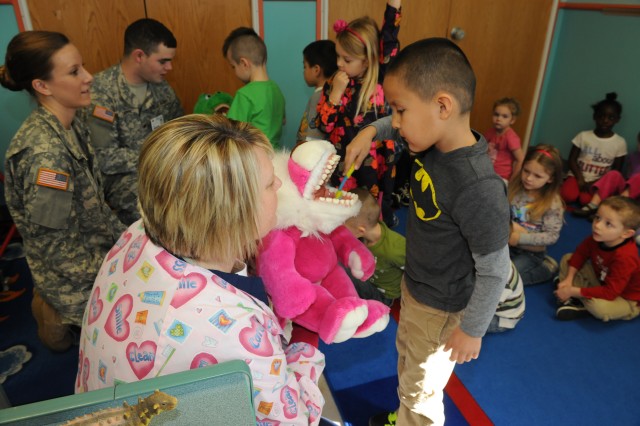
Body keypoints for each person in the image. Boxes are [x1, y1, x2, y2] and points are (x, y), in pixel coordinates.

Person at [75, 115, 326, 425]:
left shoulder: (138, 232)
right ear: (230, 215)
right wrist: (307, 335)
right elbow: (297, 420)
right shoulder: (236, 331)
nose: (278, 184)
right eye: (268, 183)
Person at [345, 38, 511, 426]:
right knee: (408, 365)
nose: (396, 123)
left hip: (442, 307)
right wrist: (371, 131)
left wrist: (472, 331)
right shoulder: (433, 139)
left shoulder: (477, 187)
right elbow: (395, 125)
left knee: (422, 392)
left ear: (442, 106)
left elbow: (494, 269)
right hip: (418, 287)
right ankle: (403, 416)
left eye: (400, 111)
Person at [0, 31, 125, 352]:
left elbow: (94, 203)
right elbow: (57, 251)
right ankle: (53, 317)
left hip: (92, 248)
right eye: (74, 72)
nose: (88, 77)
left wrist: (129, 242)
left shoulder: (75, 120)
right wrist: (119, 272)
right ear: (42, 86)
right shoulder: (45, 155)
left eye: (83, 67)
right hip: (71, 275)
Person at [86, 18, 183, 226]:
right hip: (124, 176)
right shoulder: (100, 92)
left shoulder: (163, 89)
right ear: (139, 55)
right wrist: (155, 158)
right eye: (163, 61)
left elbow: (179, 130)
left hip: (164, 167)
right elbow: (104, 157)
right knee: (154, 214)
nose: (170, 67)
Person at [316, 0, 402, 228]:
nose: (339, 64)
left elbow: (390, 35)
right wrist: (335, 95)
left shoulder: (381, 76)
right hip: (343, 158)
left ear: (368, 60)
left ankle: (374, 235)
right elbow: (324, 125)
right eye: (337, 57)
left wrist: (394, 6)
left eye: (347, 59)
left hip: (374, 163)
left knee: (370, 209)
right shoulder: (336, 80)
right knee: (342, 206)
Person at [555, 196, 640, 322]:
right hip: (602, 281)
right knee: (568, 258)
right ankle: (575, 293)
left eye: (608, 224)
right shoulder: (599, 237)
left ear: (626, 234)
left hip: (625, 298)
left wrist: (573, 290)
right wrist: (569, 279)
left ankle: (578, 301)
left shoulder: (625, 257)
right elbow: (580, 254)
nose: (597, 225)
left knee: (599, 308)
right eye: (597, 217)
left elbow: (610, 293)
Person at [508, 144, 564, 286]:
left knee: (507, 280)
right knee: (483, 270)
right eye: (526, 171)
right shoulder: (514, 189)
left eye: (537, 176)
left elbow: (551, 236)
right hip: (507, 244)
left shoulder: (553, 203)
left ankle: (547, 268)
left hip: (531, 253)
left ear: (550, 178)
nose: (529, 178)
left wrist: (519, 238)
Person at [223, 27, 286, 150]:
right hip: (276, 155)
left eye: (233, 67)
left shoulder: (245, 94)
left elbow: (230, 133)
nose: (234, 72)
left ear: (244, 63)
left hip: (255, 158)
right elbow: (282, 121)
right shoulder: (276, 90)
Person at [560, 92, 627, 206]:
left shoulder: (620, 143)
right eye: (601, 116)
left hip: (599, 181)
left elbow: (616, 171)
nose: (605, 120)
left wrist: (595, 182)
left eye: (611, 117)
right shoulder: (583, 136)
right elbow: (572, 160)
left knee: (585, 201)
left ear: (617, 120)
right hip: (577, 176)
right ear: (594, 117)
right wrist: (580, 179)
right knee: (567, 196)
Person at [344, 186, 405, 306]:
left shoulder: (393, 249)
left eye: (344, 226)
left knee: (342, 268)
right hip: (367, 277)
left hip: (382, 295)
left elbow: (418, 270)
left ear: (361, 230)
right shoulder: (365, 233)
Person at [573, 131, 640, 218]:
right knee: (614, 174)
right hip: (626, 194)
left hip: (636, 202)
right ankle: (594, 205)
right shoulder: (633, 157)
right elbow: (629, 179)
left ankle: (615, 208)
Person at [296, 40, 337, 144]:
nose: (304, 71)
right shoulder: (334, 95)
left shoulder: (318, 97)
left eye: (305, 66)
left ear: (316, 70)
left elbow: (313, 138)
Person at [484, 97, 524, 182]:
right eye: (496, 114)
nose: (499, 119)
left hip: (501, 177)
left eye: (504, 116)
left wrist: (513, 180)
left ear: (512, 120)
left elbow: (520, 159)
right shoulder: (490, 132)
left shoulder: (511, 137)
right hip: (486, 172)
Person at [486, 262, 525, 333]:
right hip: (497, 304)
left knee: (464, 324)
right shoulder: (499, 260)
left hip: (501, 319)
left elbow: (484, 309)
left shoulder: (500, 280)